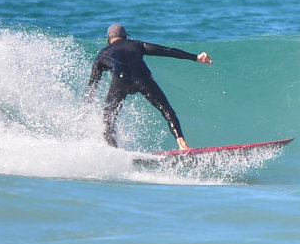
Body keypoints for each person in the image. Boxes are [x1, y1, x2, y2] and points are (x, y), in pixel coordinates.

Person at [84, 23, 212, 150]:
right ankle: (182, 145)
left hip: (120, 81)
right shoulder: (136, 44)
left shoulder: (103, 54)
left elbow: (92, 84)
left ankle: (114, 152)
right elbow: (166, 51)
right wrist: (195, 57)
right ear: (125, 37)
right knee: (167, 111)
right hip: (143, 79)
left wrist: (87, 104)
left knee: (107, 121)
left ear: (108, 39)